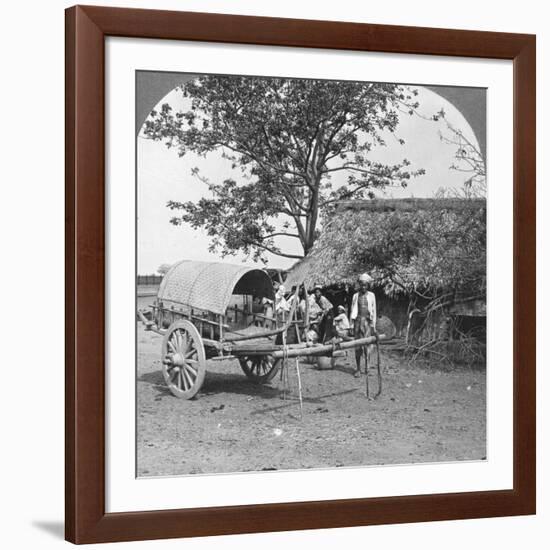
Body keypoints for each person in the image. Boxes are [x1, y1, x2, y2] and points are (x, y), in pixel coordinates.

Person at [350, 273, 377, 378]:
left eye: (365, 285)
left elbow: (374, 311)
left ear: (368, 285)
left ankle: (367, 368)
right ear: (359, 285)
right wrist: (352, 325)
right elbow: (352, 310)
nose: (363, 287)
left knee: (368, 346)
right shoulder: (355, 296)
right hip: (357, 322)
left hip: (367, 322)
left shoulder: (371, 296)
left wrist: (373, 325)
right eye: (362, 285)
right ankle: (358, 369)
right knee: (358, 346)